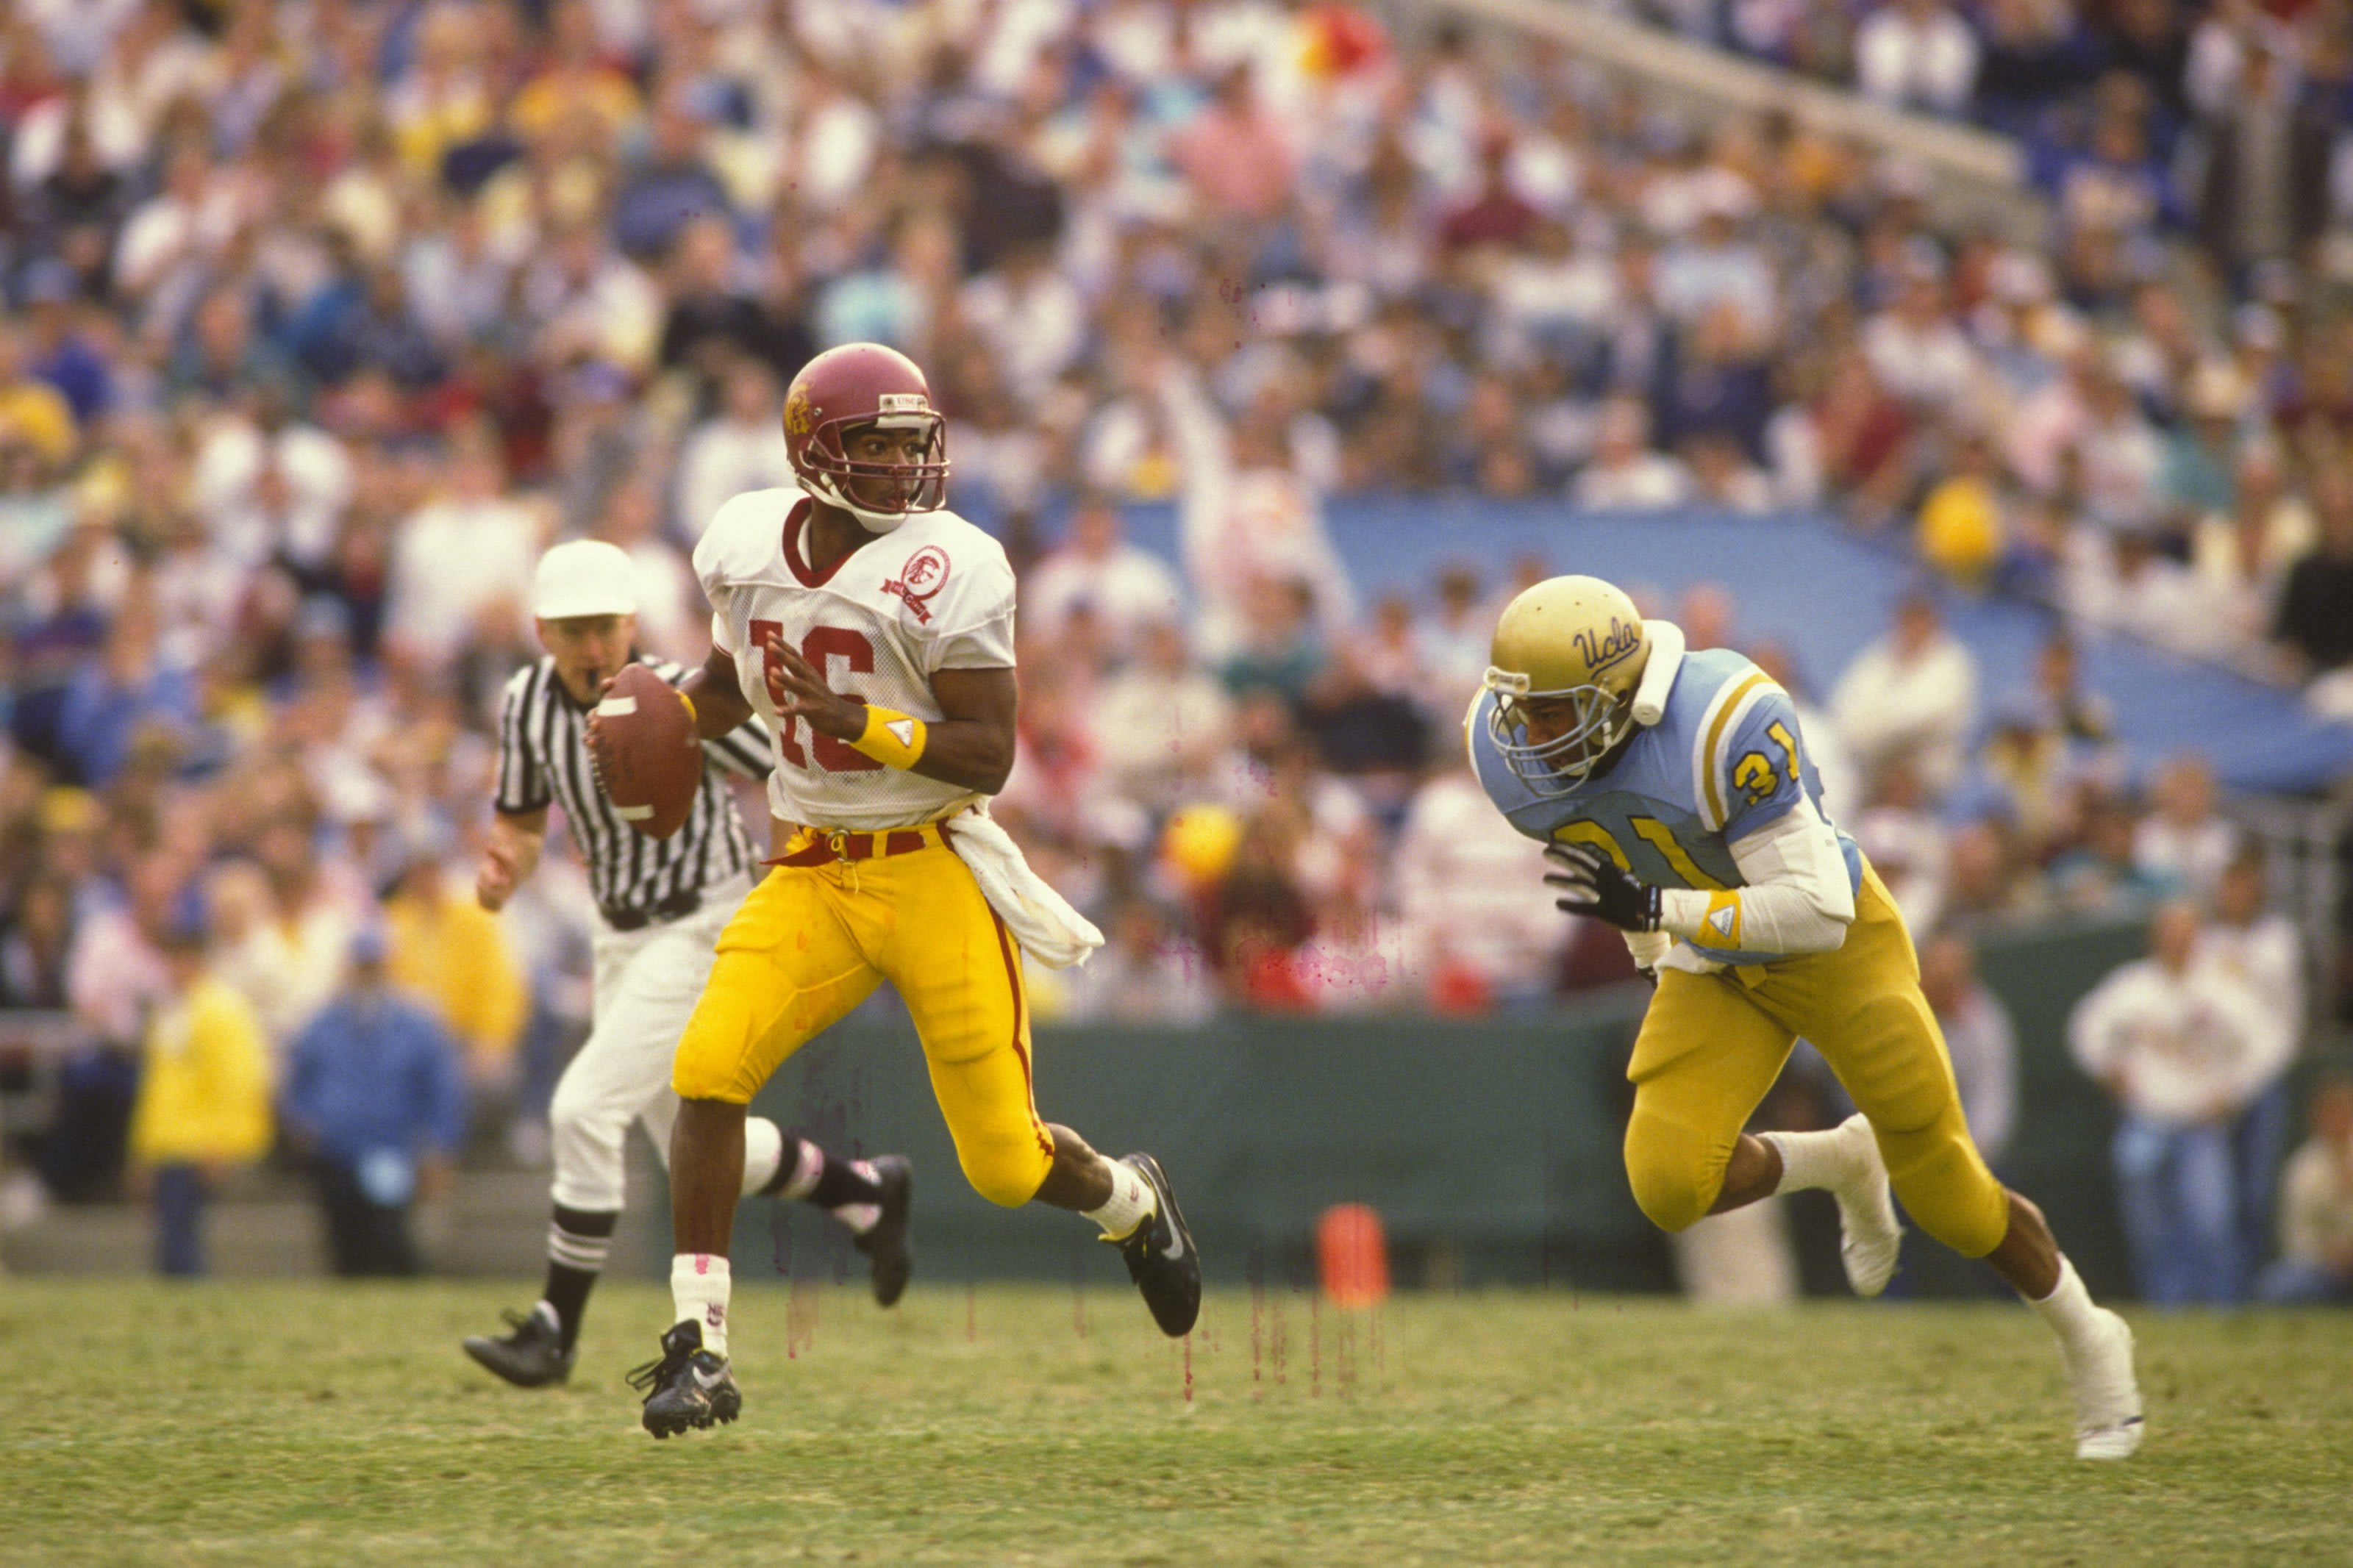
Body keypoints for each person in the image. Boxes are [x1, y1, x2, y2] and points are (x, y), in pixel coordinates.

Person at [629, 343, 1199, 1438]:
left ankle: (1131, 1201)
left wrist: (860, 722)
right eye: (876, 446)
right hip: (814, 871)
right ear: (812, 452)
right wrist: (656, 723)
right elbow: (730, 688)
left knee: (1003, 1164)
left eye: (911, 444)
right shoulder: (743, 544)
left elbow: (990, 753)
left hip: (931, 866)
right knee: (704, 1071)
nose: (902, 467)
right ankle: (698, 1347)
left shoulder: (956, 564)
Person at [1468, 578, 2143, 1459]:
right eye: (1520, 711)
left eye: (1550, 713)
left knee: (1947, 1195)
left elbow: (1813, 910)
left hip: (1833, 948)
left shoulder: (1720, 722)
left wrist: (1661, 912)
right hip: (1711, 956)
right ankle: (1837, 1159)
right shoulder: (1508, 754)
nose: (1525, 735)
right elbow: (1611, 859)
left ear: (1611, 697)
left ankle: (2089, 1336)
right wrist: (1654, 947)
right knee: (1667, 1183)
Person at [463, 539, 913, 1387]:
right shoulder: (525, 702)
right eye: (572, 630)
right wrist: (503, 865)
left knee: (582, 1109)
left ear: (631, 623)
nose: (592, 646)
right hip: (618, 937)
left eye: (604, 626)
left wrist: (800, 869)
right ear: (541, 633)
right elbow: (520, 821)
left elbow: (794, 764)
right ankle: (865, 1192)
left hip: (703, 923)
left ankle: (554, 1329)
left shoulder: (676, 698)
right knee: (694, 1153)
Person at [2069, 899, 2291, 1307]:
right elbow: (2085, 1027)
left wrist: (2234, 1092)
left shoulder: (2222, 987)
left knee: (2211, 1221)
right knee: (2148, 1226)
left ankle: (2222, 1307)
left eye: (2185, 932)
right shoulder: (2133, 985)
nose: (2177, 940)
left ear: (2198, 936)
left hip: (2199, 1123)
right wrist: (2107, 1069)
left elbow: (2270, 1043)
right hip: (2145, 1122)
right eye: (2169, 932)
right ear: (2155, 937)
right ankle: (2166, 1307)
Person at [280, 928, 468, 1277]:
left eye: (374, 965)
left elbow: (440, 1089)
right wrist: (303, 1122)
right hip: (336, 1149)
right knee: (342, 1240)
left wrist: (440, 1145)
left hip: (390, 1147)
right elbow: (297, 1081)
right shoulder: (323, 1023)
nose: (368, 973)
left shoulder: (415, 1024)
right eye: (362, 965)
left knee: (390, 1235)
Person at [126, 919, 274, 1277]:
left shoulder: (223, 1010)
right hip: (169, 1142)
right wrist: (144, 1150)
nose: (176, 968)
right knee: (170, 1237)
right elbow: (156, 1089)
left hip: (197, 1143)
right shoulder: (171, 1010)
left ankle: (193, 1302)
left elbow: (235, 1081)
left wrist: (220, 1141)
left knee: (183, 1239)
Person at [2256, 1077, 2353, 1306]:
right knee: (2278, 1286)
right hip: (2325, 1269)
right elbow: (2296, 1236)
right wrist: (2328, 1255)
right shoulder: (2304, 1167)